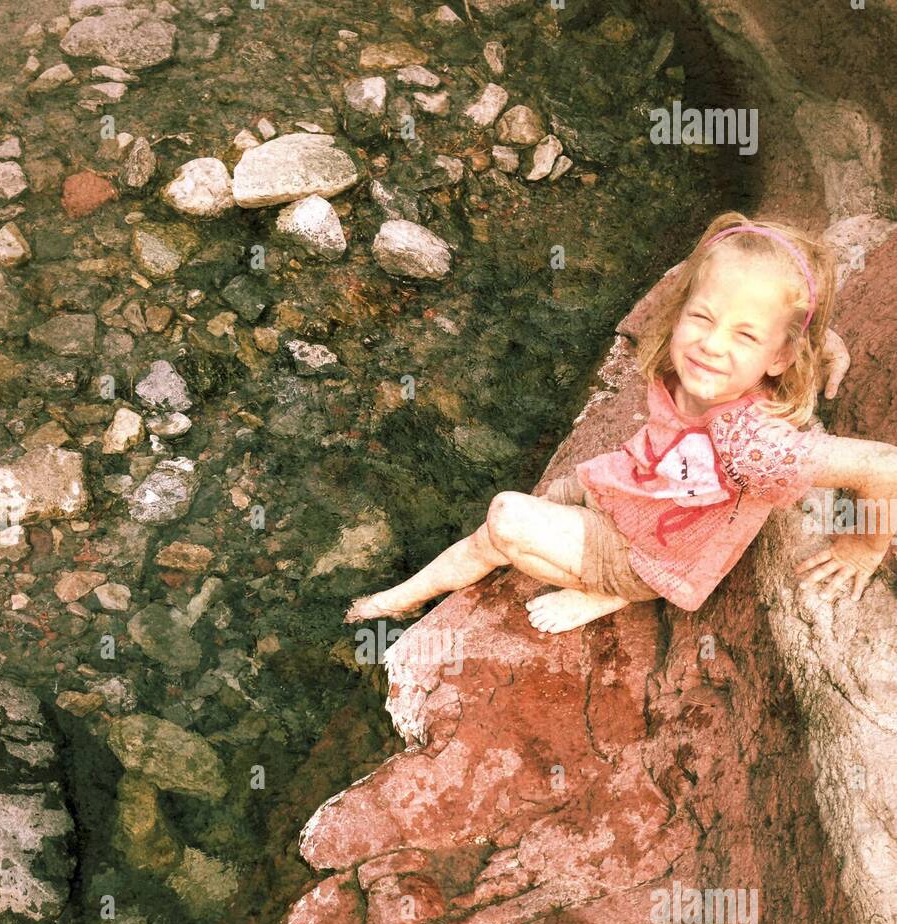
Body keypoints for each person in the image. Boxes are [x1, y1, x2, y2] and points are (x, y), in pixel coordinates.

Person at [344, 212, 893, 635]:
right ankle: (403, 597)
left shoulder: (753, 443)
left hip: (653, 555)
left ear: (779, 356)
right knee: (518, 516)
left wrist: (861, 548)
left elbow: (885, 466)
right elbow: (763, 327)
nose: (711, 344)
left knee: (507, 517)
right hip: (631, 485)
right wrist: (825, 349)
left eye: (745, 336)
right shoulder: (713, 356)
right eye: (702, 317)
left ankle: (611, 593)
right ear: (683, 312)